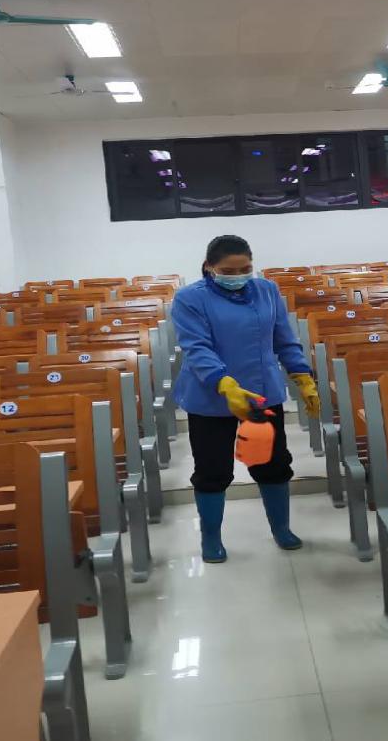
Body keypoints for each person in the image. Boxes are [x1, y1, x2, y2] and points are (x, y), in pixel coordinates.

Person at [170, 235, 321, 563]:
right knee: (213, 470)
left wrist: (302, 374)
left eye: (245, 269)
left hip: (261, 393)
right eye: (228, 270)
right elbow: (196, 347)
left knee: (272, 464)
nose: (238, 276)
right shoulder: (189, 298)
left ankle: (281, 529)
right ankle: (211, 538)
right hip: (212, 397)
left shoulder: (267, 290)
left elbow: (284, 337)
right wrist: (224, 383)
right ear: (210, 267)